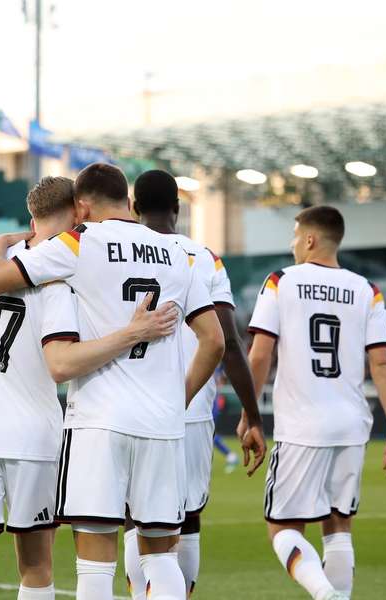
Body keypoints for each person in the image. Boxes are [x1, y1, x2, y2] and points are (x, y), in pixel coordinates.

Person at [0, 176, 179, 600]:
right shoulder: (59, 279)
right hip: (34, 439)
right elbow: (62, 362)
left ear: (31, 218)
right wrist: (132, 333)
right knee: (36, 569)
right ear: (78, 212)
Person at [0, 163, 225, 600]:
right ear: (128, 201)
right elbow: (215, 341)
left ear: (82, 206)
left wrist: (0, 246)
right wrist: (179, 399)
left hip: (99, 421)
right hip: (162, 424)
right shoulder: (178, 253)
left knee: (95, 564)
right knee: (161, 556)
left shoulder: (79, 242)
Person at [246, 206, 386, 600]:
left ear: (310, 239)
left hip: (303, 425)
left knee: (282, 528)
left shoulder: (281, 281)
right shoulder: (367, 289)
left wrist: (250, 415)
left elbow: (261, 354)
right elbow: (381, 363)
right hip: (351, 425)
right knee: (338, 526)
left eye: (295, 236)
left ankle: (323, 593)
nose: (292, 244)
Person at [124, 169, 266, 598]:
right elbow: (229, 343)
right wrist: (253, 416)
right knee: (187, 517)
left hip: (129, 407)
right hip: (191, 407)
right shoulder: (204, 259)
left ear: (133, 207)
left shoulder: (117, 251)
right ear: (177, 208)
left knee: (135, 518)